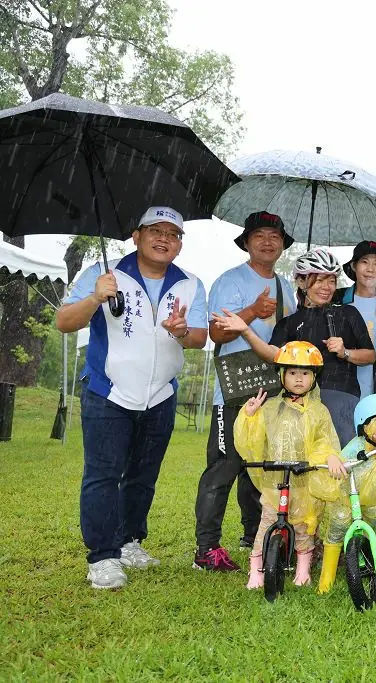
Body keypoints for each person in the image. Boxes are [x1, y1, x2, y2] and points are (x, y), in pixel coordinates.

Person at [55, 206, 208, 590]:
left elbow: (199, 339)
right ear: (135, 236)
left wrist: (181, 330)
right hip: (109, 392)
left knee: (143, 476)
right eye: (153, 230)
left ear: (180, 245)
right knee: (103, 475)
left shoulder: (191, 283)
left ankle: (128, 542)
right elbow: (64, 322)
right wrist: (95, 298)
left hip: (160, 395)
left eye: (172, 234)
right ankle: (102, 557)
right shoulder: (103, 274)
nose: (163, 239)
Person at [193, 210, 296, 573]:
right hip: (234, 390)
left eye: (275, 236)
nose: (268, 242)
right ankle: (206, 549)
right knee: (224, 467)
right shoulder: (230, 281)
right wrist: (252, 311)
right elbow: (217, 334)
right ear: (247, 242)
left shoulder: (286, 287)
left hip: (272, 392)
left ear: (283, 244)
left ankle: (256, 536)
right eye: (259, 236)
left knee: (260, 469)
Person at [213, 248, 374, 446]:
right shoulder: (289, 323)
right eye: (320, 279)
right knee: (298, 466)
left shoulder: (348, 313)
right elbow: (274, 354)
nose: (327, 287)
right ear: (301, 281)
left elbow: (370, 355)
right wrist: (246, 331)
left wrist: (345, 352)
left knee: (337, 464)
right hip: (298, 400)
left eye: (332, 281)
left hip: (340, 398)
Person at [234, 341, 340, 588]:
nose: (299, 379)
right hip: (275, 483)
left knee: (305, 528)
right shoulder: (270, 408)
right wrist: (250, 416)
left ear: (314, 377)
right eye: (292, 373)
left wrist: (330, 457)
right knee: (266, 525)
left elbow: (324, 441)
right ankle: (256, 571)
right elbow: (252, 440)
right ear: (282, 375)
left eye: (305, 373)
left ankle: (303, 570)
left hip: (304, 484)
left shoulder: (319, 411)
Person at [312, 393, 376, 593]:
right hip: (349, 497)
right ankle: (326, 578)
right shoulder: (357, 445)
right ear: (365, 427)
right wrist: (336, 463)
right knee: (336, 531)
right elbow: (341, 462)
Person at [335, 240, 376, 397]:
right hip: (336, 389)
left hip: (372, 394)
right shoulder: (336, 299)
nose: (370, 269)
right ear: (354, 266)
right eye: (364, 262)